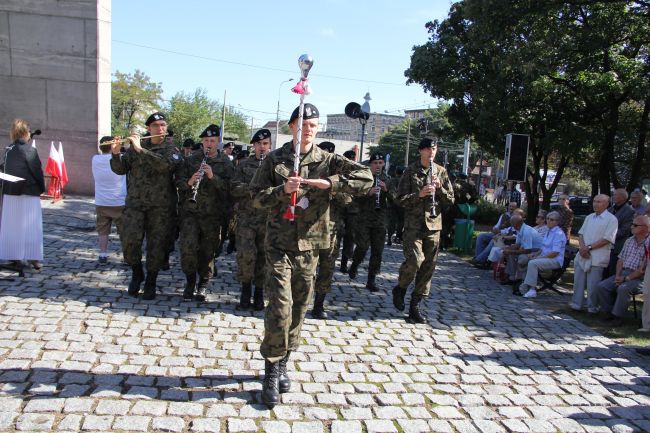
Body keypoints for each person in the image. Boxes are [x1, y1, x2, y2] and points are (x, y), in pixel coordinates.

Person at [250, 103, 373, 408]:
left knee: (299, 308)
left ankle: (282, 363)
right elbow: (254, 198)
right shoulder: (275, 159)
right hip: (279, 243)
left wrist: (329, 183)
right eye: (303, 124)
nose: (308, 130)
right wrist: (282, 190)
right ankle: (270, 370)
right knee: (279, 306)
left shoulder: (329, 160)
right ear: (291, 126)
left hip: (310, 246)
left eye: (313, 126)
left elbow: (366, 178)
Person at [110, 111, 182, 300]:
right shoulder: (135, 148)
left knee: (156, 246)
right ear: (148, 128)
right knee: (129, 241)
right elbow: (120, 170)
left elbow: (165, 166)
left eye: (163, 125)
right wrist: (116, 154)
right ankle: (136, 271)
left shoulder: (171, 150)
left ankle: (151, 280)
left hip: (161, 207)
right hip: (135, 204)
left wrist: (141, 149)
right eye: (156, 126)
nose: (160, 129)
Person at [392, 138, 455, 324]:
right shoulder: (411, 171)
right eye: (427, 148)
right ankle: (401, 288)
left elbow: (450, 200)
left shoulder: (441, 172)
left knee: (428, 267)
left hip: (434, 226)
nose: (431, 152)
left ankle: (415, 306)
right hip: (414, 225)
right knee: (414, 261)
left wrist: (440, 188)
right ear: (420, 151)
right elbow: (399, 199)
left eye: (434, 148)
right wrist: (418, 195)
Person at [175, 124, 233, 301]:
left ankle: (203, 284)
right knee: (188, 248)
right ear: (202, 142)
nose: (209, 144)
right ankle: (190, 282)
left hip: (213, 215)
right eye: (206, 140)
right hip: (191, 213)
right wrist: (190, 181)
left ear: (218, 142)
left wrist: (212, 177)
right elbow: (178, 182)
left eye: (213, 141)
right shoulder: (192, 160)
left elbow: (230, 189)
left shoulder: (226, 163)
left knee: (208, 251)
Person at [231, 129, 271, 310]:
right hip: (247, 218)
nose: (262, 148)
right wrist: (251, 188)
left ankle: (259, 292)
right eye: (258, 144)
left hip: (268, 219)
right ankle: (245, 290)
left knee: (264, 257)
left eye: (265, 144)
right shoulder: (243, 166)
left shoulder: (276, 166)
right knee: (246, 255)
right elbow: (232, 188)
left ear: (269, 146)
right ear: (253, 146)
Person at [312, 141, 352, 319]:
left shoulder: (339, 177)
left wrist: (334, 189)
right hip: (310, 226)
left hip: (331, 228)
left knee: (327, 266)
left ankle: (319, 304)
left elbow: (348, 201)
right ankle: (302, 299)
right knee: (307, 267)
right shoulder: (311, 173)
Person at [0, 119, 45, 270]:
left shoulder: (8, 149)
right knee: (31, 226)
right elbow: (36, 171)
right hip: (28, 191)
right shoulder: (30, 150)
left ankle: (15, 256)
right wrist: (41, 187)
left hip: (11, 191)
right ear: (26, 133)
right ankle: (33, 257)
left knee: (12, 226)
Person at [595, 214, 648, 326]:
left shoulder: (648, 244)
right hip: (623, 273)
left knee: (623, 289)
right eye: (632, 224)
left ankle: (618, 317)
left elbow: (642, 269)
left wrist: (626, 279)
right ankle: (608, 312)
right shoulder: (630, 240)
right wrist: (619, 275)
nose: (631, 227)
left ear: (645, 228)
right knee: (602, 286)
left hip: (640, 278)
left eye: (635, 225)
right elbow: (620, 259)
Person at [348, 152, 389, 292]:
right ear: (370, 164)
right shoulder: (363, 178)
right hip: (363, 219)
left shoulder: (387, 179)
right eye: (375, 163)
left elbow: (397, 200)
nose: (378, 166)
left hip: (380, 220)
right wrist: (367, 193)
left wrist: (386, 190)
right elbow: (351, 196)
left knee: (377, 251)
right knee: (363, 247)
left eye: (380, 163)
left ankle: (371, 280)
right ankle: (355, 264)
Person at [570, 194, 618, 313]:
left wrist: (589, 248)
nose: (595, 204)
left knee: (593, 284)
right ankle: (577, 304)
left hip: (598, 255)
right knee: (578, 281)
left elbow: (607, 239)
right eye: (595, 201)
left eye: (599, 202)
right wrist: (582, 248)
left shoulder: (611, 219)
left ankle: (592, 308)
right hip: (583, 254)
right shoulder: (589, 217)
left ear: (607, 204)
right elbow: (581, 234)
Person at [517, 211, 567, 298]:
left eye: (552, 220)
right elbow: (543, 248)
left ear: (557, 222)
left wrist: (539, 258)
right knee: (527, 259)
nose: (548, 221)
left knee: (533, 263)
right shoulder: (548, 231)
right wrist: (535, 254)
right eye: (547, 219)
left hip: (555, 260)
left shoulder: (558, 234)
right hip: (546, 257)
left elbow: (555, 253)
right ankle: (524, 284)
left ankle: (532, 289)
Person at [92, 136, 126, 264]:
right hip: (119, 200)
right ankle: (126, 255)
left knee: (102, 229)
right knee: (124, 231)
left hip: (101, 200)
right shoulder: (121, 159)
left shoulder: (95, 159)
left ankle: (103, 253)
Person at [502, 214, 543, 293]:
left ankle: (521, 281)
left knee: (521, 259)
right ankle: (512, 277)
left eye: (512, 223)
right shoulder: (520, 229)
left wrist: (511, 251)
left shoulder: (526, 231)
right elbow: (518, 244)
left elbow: (528, 250)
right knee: (510, 253)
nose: (511, 225)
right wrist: (508, 249)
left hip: (536, 252)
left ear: (515, 224)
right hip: (529, 250)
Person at [472, 201, 517, 266]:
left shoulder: (516, 218)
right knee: (481, 236)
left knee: (494, 240)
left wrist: (499, 232)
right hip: (498, 233)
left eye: (513, 207)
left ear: (516, 208)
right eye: (510, 206)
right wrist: (495, 229)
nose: (511, 208)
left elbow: (509, 230)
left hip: (505, 237)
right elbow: (497, 225)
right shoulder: (503, 215)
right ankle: (479, 258)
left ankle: (479, 260)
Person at [605, 188, 635, 278]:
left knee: (611, 274)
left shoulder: (629, 212)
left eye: (615, 195)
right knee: (603, 274)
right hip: (604, 248)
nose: (613, 196)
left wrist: (606, 235)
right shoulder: (610, 210)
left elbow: (624, 231)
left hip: (616, 249)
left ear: (623, 197)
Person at [339, 149, 359, 273]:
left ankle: (344, 263)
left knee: (350, 238)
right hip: (339, 210)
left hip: (353, 211)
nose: (351, 162)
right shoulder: (338, 173)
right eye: (349, 160)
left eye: (353, 159)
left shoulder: (357, 175)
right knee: (337, 235)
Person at [386, 166, 405, 246]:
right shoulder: (405, 181)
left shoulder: (390, 181)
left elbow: (386, 191)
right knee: (401, 221)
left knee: (391, 221)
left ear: (396, 172)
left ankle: (390, 237)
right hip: (402, 204)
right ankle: (398, 236)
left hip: (391, 204)